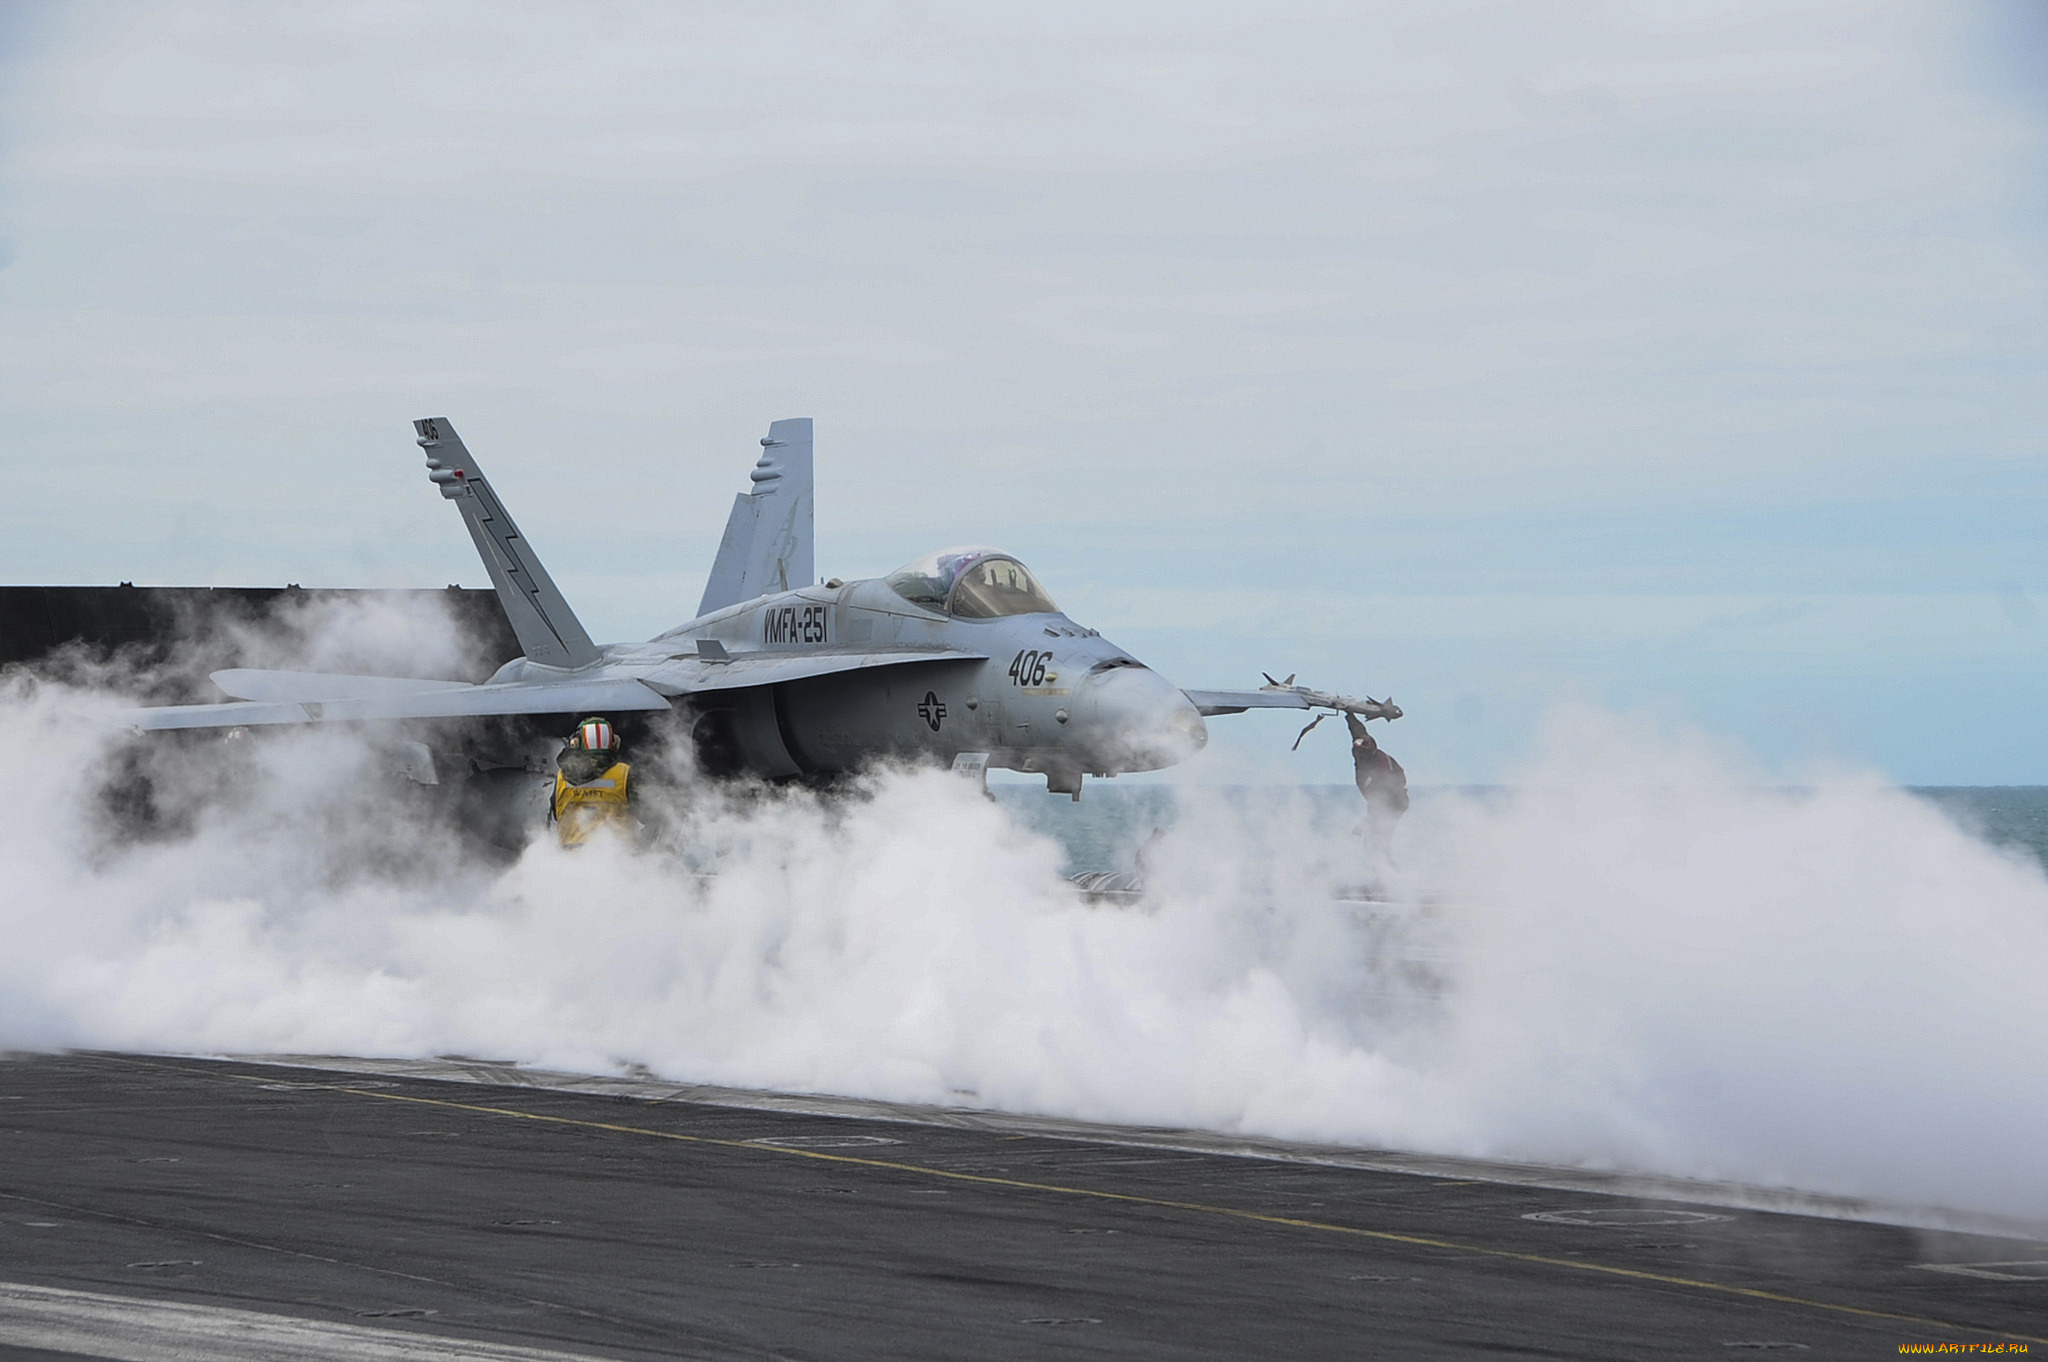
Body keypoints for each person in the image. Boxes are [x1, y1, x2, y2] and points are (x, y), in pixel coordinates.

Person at [549, 716, 634, 848]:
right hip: (616, 857)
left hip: (568, 859)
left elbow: (556, 813)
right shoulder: (624, 774)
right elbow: (647, 813)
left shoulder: (561, 777)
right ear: (614, 743)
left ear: (575, 743)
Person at [1347, 711, 1408, 860]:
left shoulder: (1380, 767)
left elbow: (1384, 799)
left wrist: (1367, 821)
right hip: (1378, 803)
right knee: (1370, 842)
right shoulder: (1361, 750)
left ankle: (1389, 876)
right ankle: (1380, 874)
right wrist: (1349, 714)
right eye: (1357, 751)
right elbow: (1358, 731)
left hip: (1395, 803)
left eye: (1362, 753)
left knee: (1378, 843)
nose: (1359, 756)